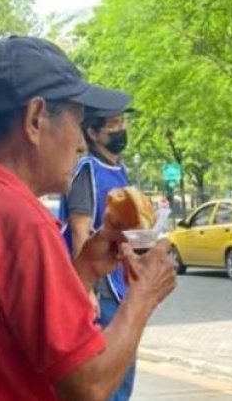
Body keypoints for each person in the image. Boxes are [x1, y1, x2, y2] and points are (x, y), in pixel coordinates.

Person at [0, 36, 176, 401]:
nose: (81, 144)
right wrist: (144, 294)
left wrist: (85, 269)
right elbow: (87, 386)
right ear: (35, 118)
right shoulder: (17, 221)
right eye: (78, 121)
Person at [60, 103, 138, 400]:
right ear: (92, 133)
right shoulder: (88, 171)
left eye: (122, 123)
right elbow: (80, 229)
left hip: (120, 282)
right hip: (102, 286)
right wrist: (88, 290)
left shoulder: (121, 170)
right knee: (108, 369)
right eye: (113, 125)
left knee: (125, 367)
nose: (121, 130)